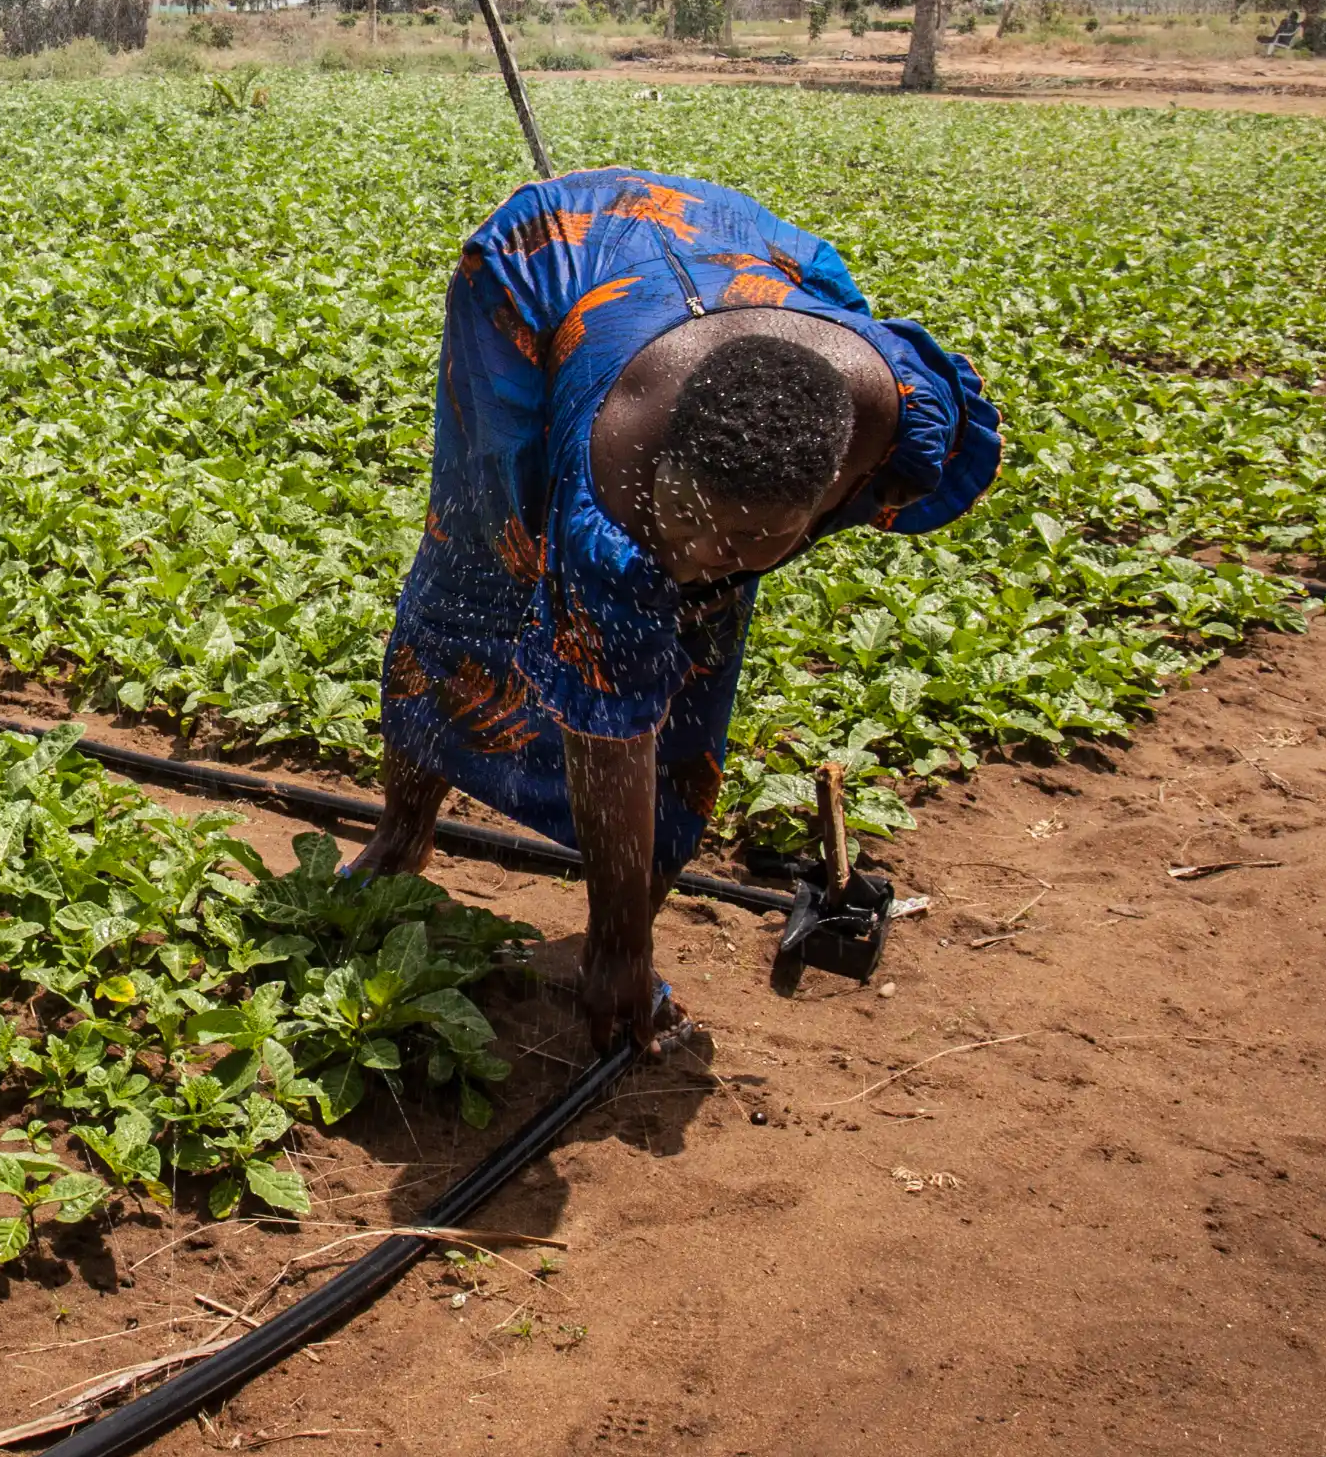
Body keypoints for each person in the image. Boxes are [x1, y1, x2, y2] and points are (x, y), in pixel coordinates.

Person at [347, 163, 1001, 1060]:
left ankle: (628, 910)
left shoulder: (902, 416)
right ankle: (403, 831)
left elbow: (698, 588)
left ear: (832, 495)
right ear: (664, 465)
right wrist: (622, 949)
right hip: (543, 264)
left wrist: (624, 937)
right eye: (682, 521)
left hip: (734, 252)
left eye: (743, 538)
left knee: (699, 654)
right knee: (482, 572)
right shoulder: (618, 486)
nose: (694, 557)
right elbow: (607, 731)